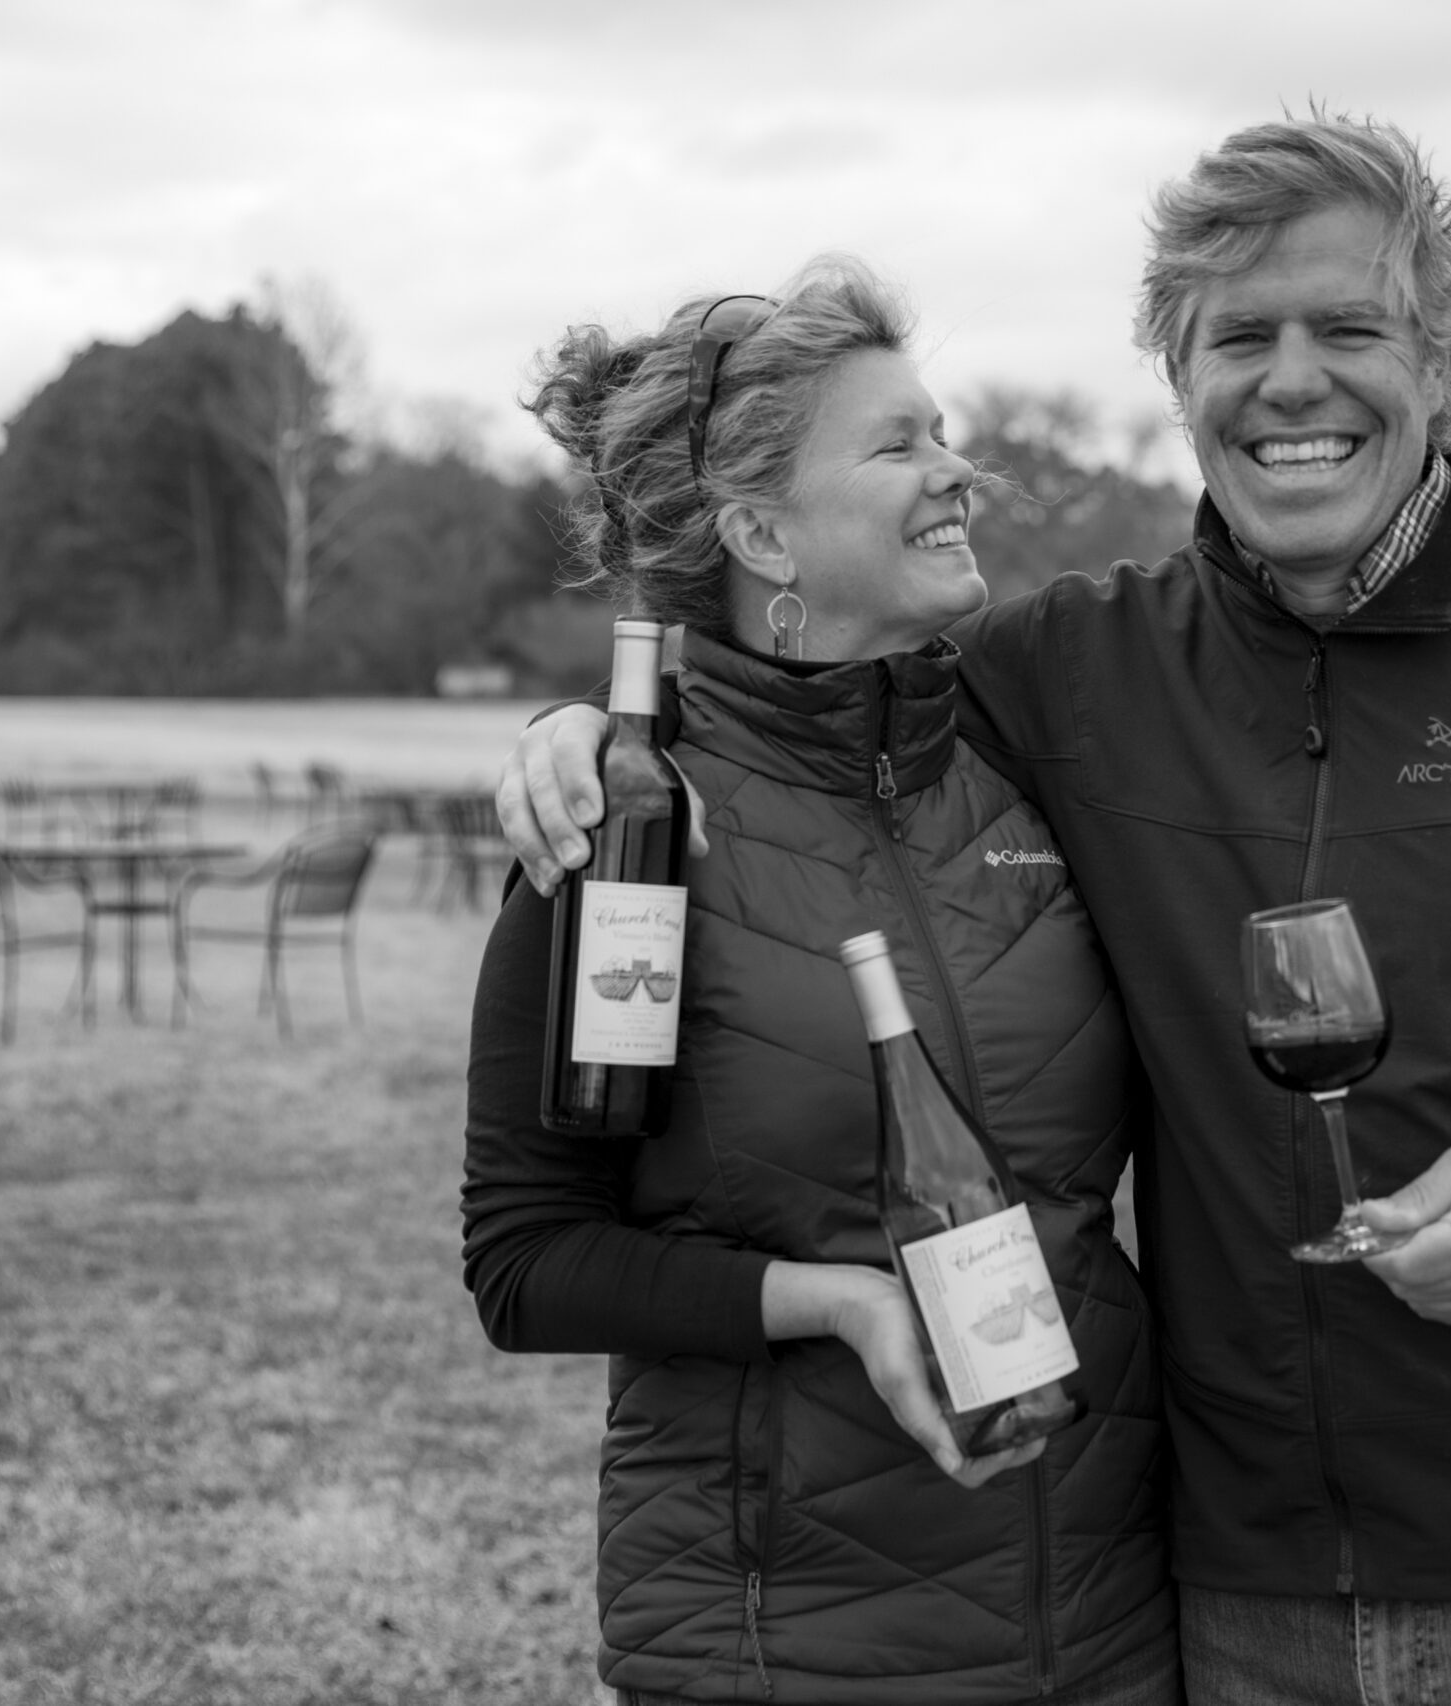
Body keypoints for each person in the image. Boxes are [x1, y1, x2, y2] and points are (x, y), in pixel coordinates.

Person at [497, 115, 1451, 1705]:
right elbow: (799, 696)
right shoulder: (1063, 670)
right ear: (1176, 375)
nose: (1292, 380)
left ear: (1448, 363)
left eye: (1350, 328)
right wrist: (587, 738)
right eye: (1237, 337)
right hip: (1233, 1596)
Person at [460, 259, 1177, 1705]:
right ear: (761, 534)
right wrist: (832, 1299)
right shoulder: (632, 832)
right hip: (786, 1643)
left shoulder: (1021, 764)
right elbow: (525, 1259)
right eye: (900, 443)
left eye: (943, 429)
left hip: (1105, 1627)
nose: (957, 470)